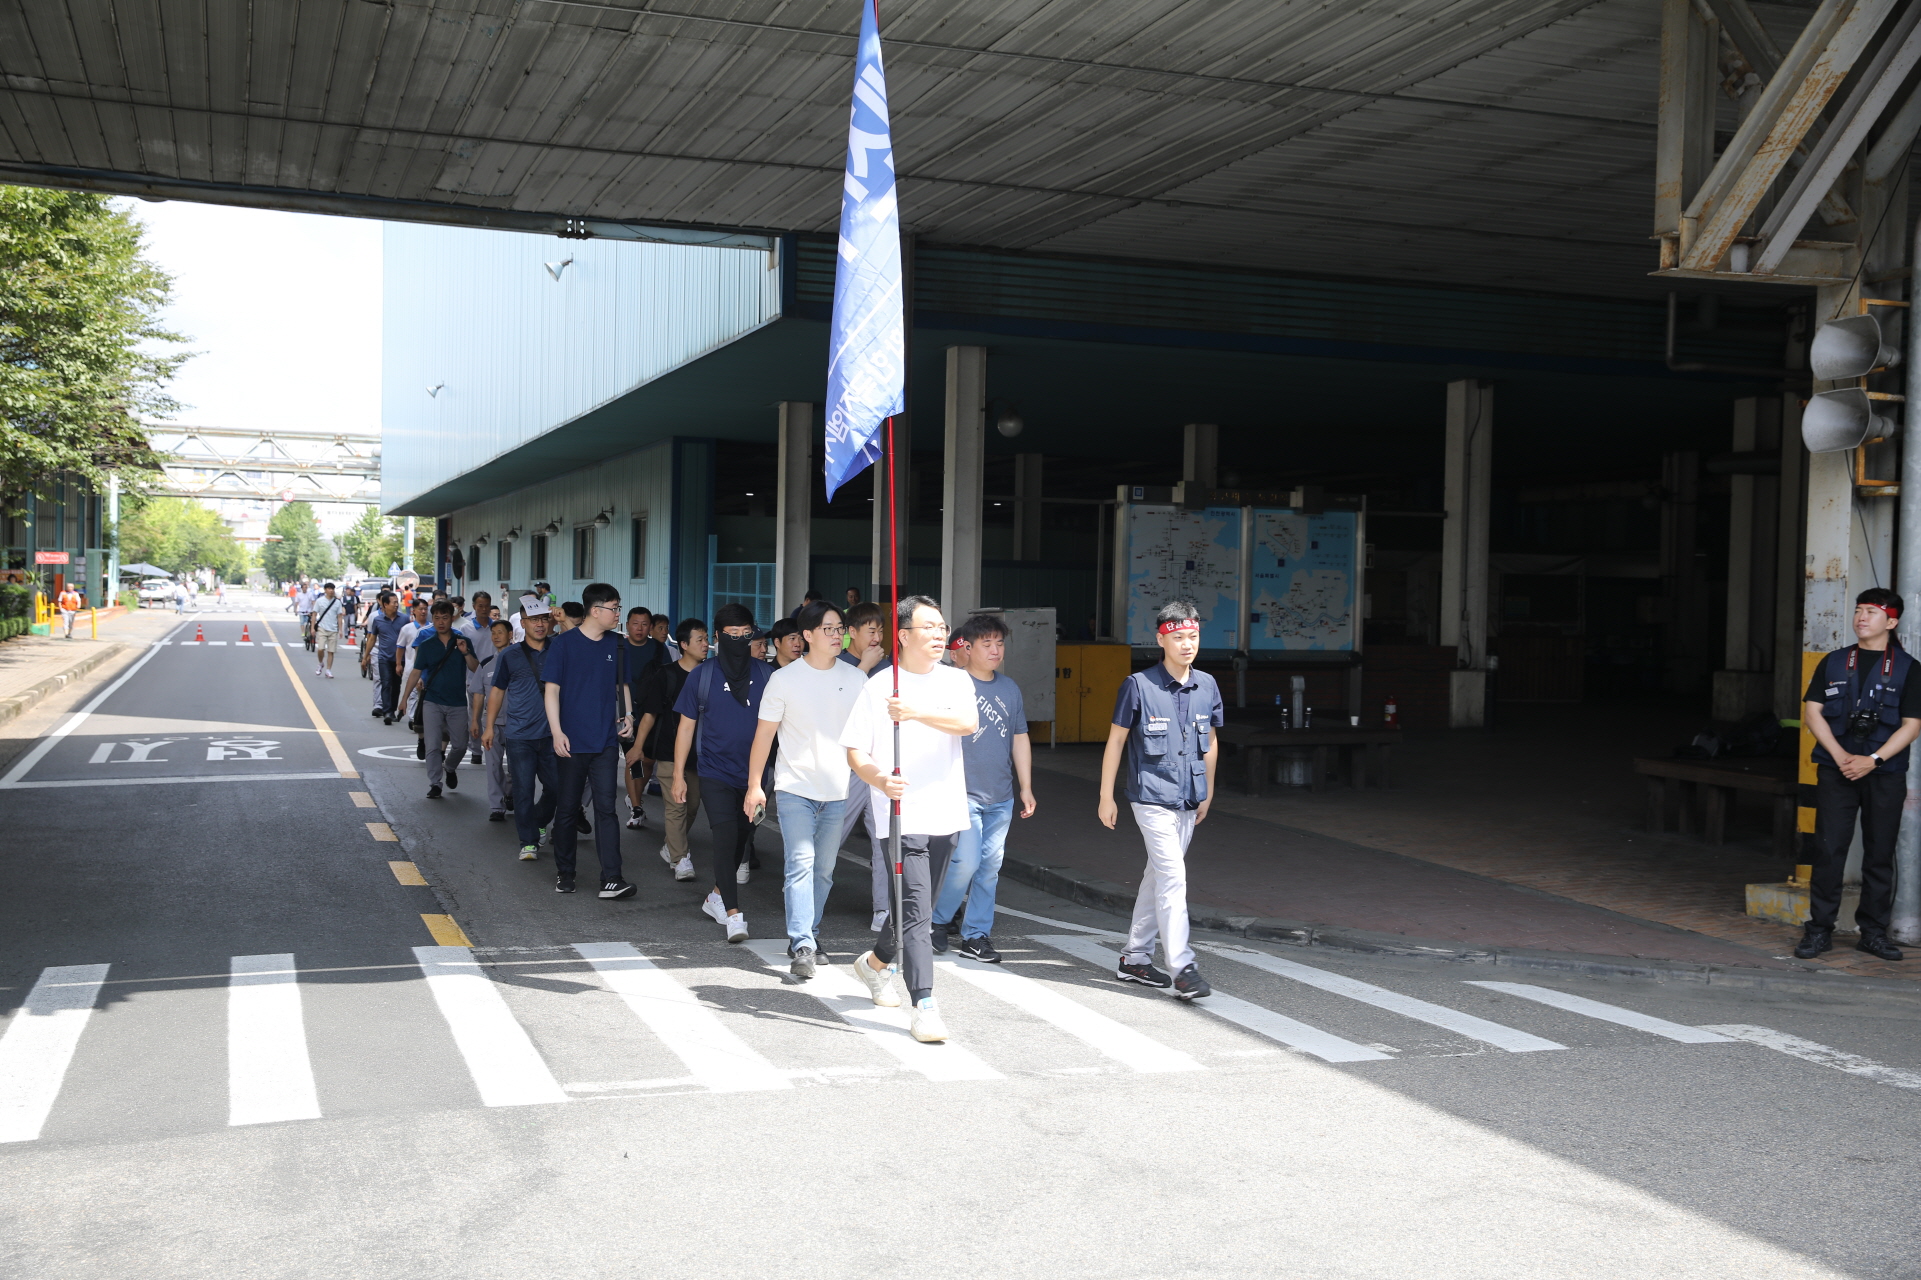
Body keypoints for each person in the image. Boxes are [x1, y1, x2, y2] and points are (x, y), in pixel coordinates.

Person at [839, 595, 978, 1043]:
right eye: (929, 627)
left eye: (942, 627)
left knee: (914, 908)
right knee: (917, 911)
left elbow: (967, 723)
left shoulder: (956, 679)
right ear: (903, 635)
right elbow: (855, 751)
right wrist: (880, 780)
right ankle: (924, 1005)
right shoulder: (879, 686)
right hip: (900, 815)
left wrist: (915, 712)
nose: (939, 635)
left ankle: (874, 964)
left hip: (946, 810)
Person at [1097, 599, 1220, 1000]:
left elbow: (1210, 740)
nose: (1187, 644)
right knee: (1173, 877)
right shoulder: (1138, 685)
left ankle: (1134, 958)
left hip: (1189, 796)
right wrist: (1106, 796)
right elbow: (1116, 741)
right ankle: (1183, 967)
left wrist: (1208, 789)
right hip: (1150, 796)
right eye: (1179, 637)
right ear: (1161, 640)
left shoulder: (1207, 685)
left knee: (1159, 877)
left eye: (1193, 636)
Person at [1796, 588, 1920, 962]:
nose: (1861, 617)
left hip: (1885, 773)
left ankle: (1873, 934)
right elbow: (1813, 712)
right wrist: (1841, 756)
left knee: (1879, 853)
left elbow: (1912, 725)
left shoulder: (1909, 668)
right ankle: (1819, 930)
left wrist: (1874, 759)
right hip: (1837, 770)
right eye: (1858, 610)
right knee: (1829, 849)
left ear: (1892, 622)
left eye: (1871, 612)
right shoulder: (1834, 661)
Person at [744, 601, 867, 976]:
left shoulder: (856, 679)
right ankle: (802, 944)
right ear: (808, 635)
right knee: (800, 863)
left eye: (840, 628)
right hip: (795, 787)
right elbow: (763, 736)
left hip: (837, 790)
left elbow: (868, 735)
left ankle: (809, 933)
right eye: (829, 629)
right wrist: (755, 786)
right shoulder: (784, 680)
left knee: (824, 871)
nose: (837, 635)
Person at [931, 613, 1036, 964]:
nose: (995, 650)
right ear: (968, 647)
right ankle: (938, 920)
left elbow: (1020, 738)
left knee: (990, 867)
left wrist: (1026, 787)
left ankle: (976, 935)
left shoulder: (1009, 688)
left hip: (1001, 796)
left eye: (999, 643)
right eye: (986, 643)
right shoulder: (953, 685)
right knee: (966, 861)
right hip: (962, 793)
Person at [670, 603, 772, 942]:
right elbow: (686, 728)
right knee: (725, 837)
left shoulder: (767, 675)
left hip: (755, 778)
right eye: (732, 635)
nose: (740, 641)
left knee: (741, 840)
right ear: (717, 637)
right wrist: (679, 775)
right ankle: (733, 914)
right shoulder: (702, 676)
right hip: (714, 772)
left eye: (746, 635)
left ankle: (716, 895)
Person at [542, 581, 635, 900]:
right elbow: (551, 691)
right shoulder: (564, 645)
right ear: (596, 611)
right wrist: (557, 732)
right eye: (614, 608)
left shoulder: (618, 644)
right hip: (571, 742)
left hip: (605, 741)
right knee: (568, 809)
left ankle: (612, 878)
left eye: (618, 607)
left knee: (607, 810)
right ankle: (565, 872)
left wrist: (629, 716)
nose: (618, 613)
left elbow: (622, 686)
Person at [833, 600, 896, 930]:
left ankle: (882, 909)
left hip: (882, 766)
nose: (877, 637)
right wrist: (863, 668)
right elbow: (838, 711)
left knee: (884, 839)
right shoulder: (838, 664)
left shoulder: (888, 668)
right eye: (871, 631)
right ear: (852, 633)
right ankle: (805, 890)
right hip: (848, 765)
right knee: (832, 834)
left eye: (880, 631)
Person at [633, 618, 706, 882]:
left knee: (692, 805)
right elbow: (650, 714)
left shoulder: (709, 674)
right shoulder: (666, 674)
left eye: (706, 639)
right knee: (677, 806)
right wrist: (638, 746)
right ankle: (680, 858)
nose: (705, 644)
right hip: (668, 750)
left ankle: (671, 845)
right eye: (700, 640)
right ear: (684, 644)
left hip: (698, 753)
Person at [486, 599, 560, 860]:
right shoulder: (510, 655)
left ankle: (539, 820)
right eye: (534, 619)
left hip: (553, 734)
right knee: (523, 791)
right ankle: (528, 842)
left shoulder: (560, 649)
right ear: (523, 622)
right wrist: (489, 727)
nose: (540, 624)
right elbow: (497, 691)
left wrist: (564, 619)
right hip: (519, 735)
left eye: (544, 619)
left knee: (557, 788)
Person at [400, 600, 478, 800]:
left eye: (445, 618)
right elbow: (416, 672)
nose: (441, 622)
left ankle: (450, 767)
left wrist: (465, 652)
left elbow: (475, 667)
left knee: (460, 745)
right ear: (432, 619)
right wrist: (404, 698)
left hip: (457, 702)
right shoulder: (427, 645)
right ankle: (435, 783)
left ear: (452, 618)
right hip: (432, 700)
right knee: (433, 745)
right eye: (437, 618)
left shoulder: (462, 641)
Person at [621, 606, 663, 828]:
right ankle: (636, 807)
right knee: (633, 760)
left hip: (653, 712)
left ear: (650, 627)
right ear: (627, 625)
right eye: (635, 623)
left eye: (644, 624)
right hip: (625, 714)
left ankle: (634, 796)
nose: (639, 628)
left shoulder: (659, 649)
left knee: (648, 761)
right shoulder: (619, 648)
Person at [477, 618, 514, 820]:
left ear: (510, 635)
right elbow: (478, 694)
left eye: (500, 632)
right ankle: (496, 807)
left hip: (517, 723)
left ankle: (510, 792)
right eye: (493, 633)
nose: (496, 636)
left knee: (517, 768)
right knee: (493, 765)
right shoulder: (486, 664)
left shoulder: (520, 660)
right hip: (492, 724)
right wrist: (475, 721)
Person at [362, 593, 407, 723]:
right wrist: (365, 656)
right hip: (384, 657)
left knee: (396, 685)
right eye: (394, 602)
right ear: (385, 605)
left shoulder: (404, 619)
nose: (396, 605)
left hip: (399, 659)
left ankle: (392, 709)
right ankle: (387, 712)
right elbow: (372, 639)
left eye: (397, 602)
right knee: (386, 683)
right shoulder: (378, 620)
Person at [310, 582, 345, 678]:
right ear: (325, 590)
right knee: (320, 649)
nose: (331, 590)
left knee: (331, 651)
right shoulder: (320, 601)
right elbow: (314, 614)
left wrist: (340, 630)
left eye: (332, 589)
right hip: (322, 628)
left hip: (333, 629)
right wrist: (312, 628)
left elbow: (339, 616)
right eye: (329, 589)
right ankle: (320, 663)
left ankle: (328, 670)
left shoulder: (337, 602)